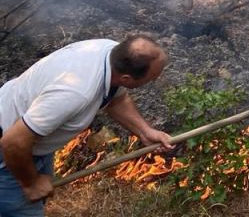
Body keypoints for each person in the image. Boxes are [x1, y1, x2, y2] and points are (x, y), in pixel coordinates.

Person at [0, 35, 173, 216]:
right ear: (127, 79)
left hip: (34, 143)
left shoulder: (111, 53)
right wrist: (30, 182)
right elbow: (13, 142)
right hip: (10, 153)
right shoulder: (75, 93)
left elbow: (116, 99)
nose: (155, 80)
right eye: (153, 78)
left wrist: (145, 132)